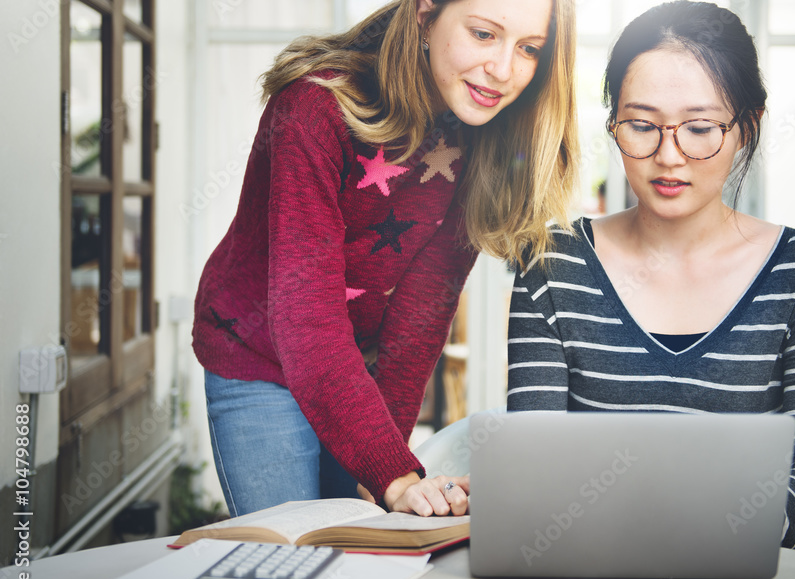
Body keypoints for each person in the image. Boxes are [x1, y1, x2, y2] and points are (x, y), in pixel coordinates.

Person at [193, 0, 578, 518]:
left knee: (357, 541)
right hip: (260, 356)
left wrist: (385, 474)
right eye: (484, 34)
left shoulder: (481, 132)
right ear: (425, 14)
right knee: (292, 553)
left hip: (358, 368)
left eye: (530, 49)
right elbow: (307, 322)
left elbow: (419, 321)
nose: (505, 71)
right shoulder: (313, 108)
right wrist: (394, 474)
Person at [505, 0, 795, 549]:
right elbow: (532, 460)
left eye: (699, 128)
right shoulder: (553, 266)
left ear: (747, 127)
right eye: (642, 125)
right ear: (614, 123)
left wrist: (727, 528)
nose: (669, 156)